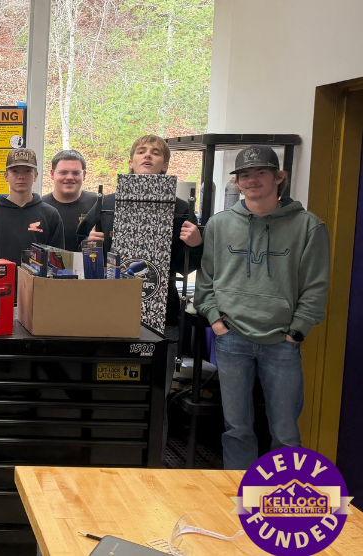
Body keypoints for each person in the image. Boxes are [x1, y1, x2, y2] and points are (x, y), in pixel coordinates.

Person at [195, 146, 330, 470]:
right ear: (237, 182)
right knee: (236, 429)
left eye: (261, 172)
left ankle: (283, 496)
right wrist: (216, 321)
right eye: (244, 174)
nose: (251, 180)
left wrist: (296, 332)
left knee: (285, 433)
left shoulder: (309, 227)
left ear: (278, 178)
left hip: (282, 342)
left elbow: (316, 285)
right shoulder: (218, 224)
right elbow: (206, 279)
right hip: (232, 338)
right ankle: (239, 493)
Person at [76, 135, 203, 454]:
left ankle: (154, 465)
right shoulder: (106, 204)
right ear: (131, 161)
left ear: (165, 164)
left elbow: (186, 266)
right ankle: (106, 458)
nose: (148, 156)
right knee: (109, 393)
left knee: (157, 397)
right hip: (111, 316)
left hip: (163, 319)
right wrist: (90, 245)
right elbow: (84, 262)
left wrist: (196, 244)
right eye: (141, 152)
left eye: (156, 153)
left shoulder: (181, 209)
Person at [0, 148, 64, 265]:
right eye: (15, 171)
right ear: (6, 176)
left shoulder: (50, 215)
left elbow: (57, 263)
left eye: (27, 171)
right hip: (1, 277)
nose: (21, 176)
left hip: (39, 277)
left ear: (36, 176)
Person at [43, 149, 97, 252]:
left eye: (76, 173)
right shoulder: (41, 207)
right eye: (63, 172)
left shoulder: (98, 204)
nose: (69, 177)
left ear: (84, 175)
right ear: (52, 174)